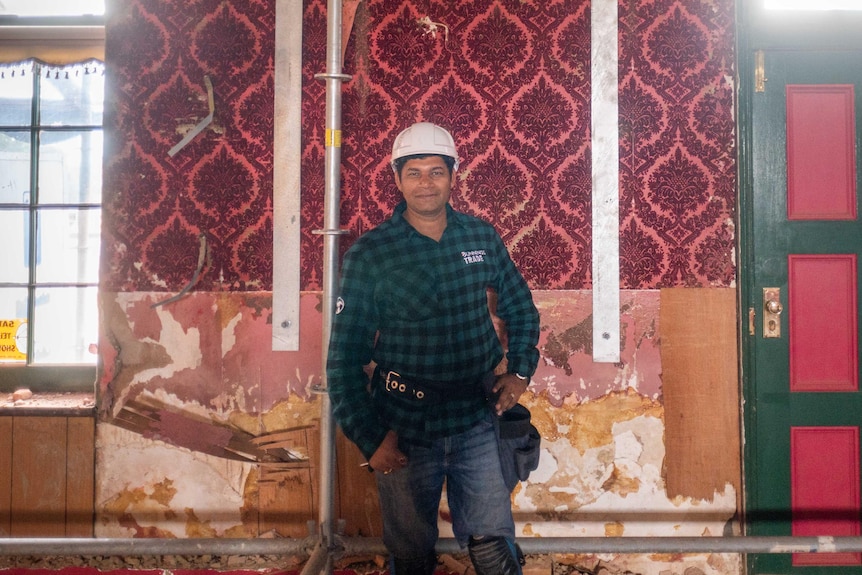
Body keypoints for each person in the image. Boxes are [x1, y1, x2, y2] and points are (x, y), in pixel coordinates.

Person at [326, 122, 540, 575]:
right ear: (398, 178)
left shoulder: (479, 238)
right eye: (415, 172)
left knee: (492, 544)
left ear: (453, 175)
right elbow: (343, 360)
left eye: (437, 171)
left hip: (476, 418)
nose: (426, 182)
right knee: (411, 555)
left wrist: (520, 372)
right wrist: (370, 438)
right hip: (403, 425)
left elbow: (521, 306)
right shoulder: (371, 254)